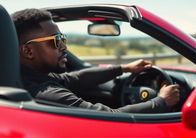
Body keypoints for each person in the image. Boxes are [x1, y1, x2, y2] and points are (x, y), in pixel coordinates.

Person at [11, 8, 180, 113]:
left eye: (63, 39)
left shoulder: (26, 77)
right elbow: (112, 116)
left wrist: (123, 68)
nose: (63, 47)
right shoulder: (45, 92)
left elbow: (75, 79)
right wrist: (161, 101)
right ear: (28, 51)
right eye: (55, 41)